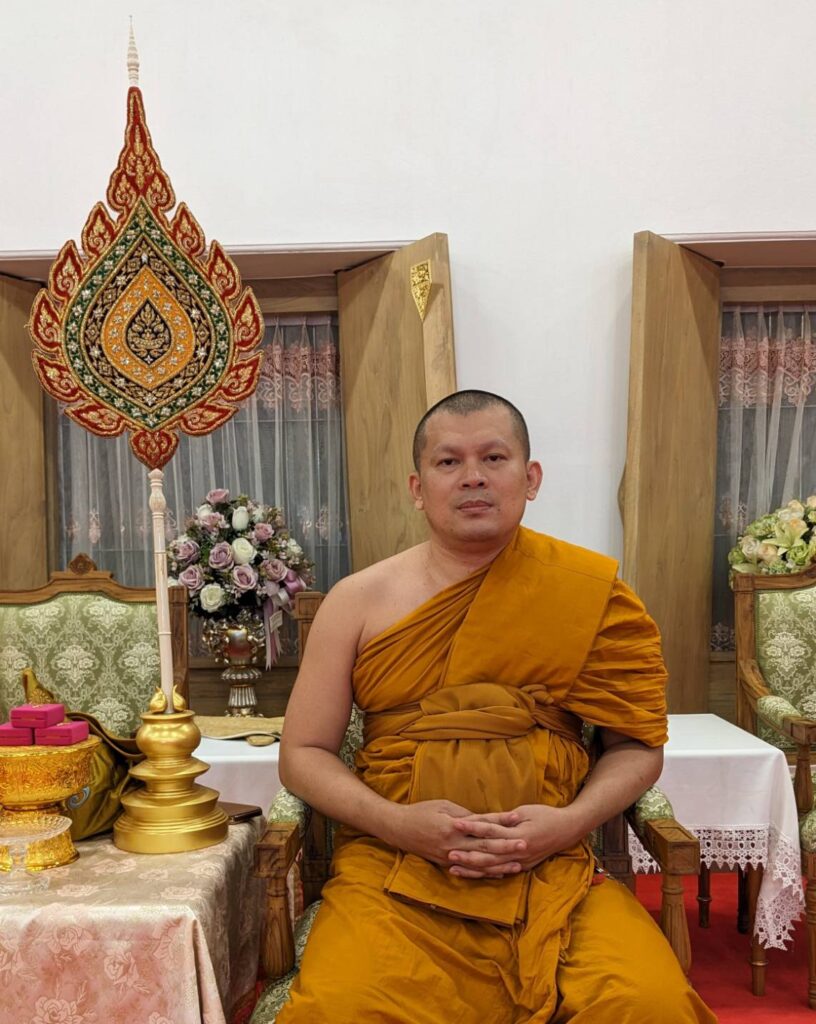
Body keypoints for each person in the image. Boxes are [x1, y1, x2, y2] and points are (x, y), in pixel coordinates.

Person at [276, 390, 715, 1023]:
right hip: (395, 867)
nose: (473, 476)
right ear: (417, 487)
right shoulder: (357, 601)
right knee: (342, 1009)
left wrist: (567, 825)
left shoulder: (590, 593)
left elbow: (637, 746)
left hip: (553, 869)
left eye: (494, 457)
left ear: (530, 478)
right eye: (448, 461)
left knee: (649, 1003)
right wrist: (397, 824)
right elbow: (302, 753)